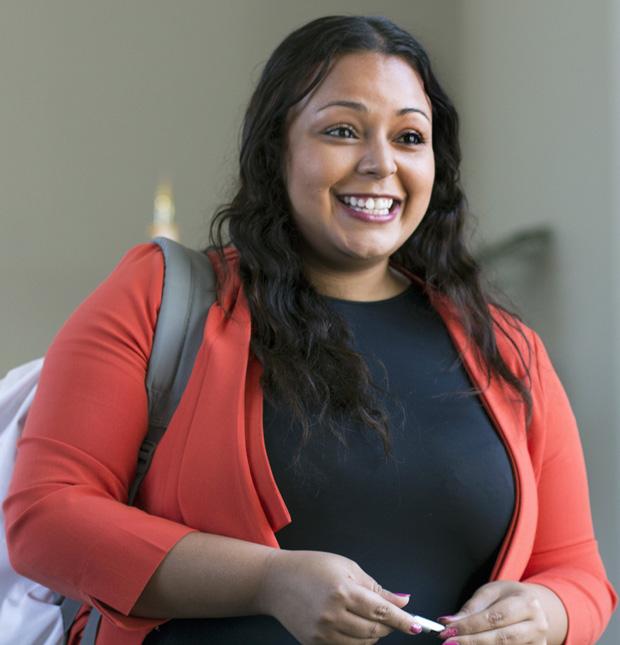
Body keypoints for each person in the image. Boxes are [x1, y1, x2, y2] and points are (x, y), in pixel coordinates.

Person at [3, 13, 617, 645]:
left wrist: (545, 612)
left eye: (409, 137)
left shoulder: (506, 348)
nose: (380, 164)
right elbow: (46, 518)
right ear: (278, 149)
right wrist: (267, 581)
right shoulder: (159, 296)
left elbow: (578, 572)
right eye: (343, 131)